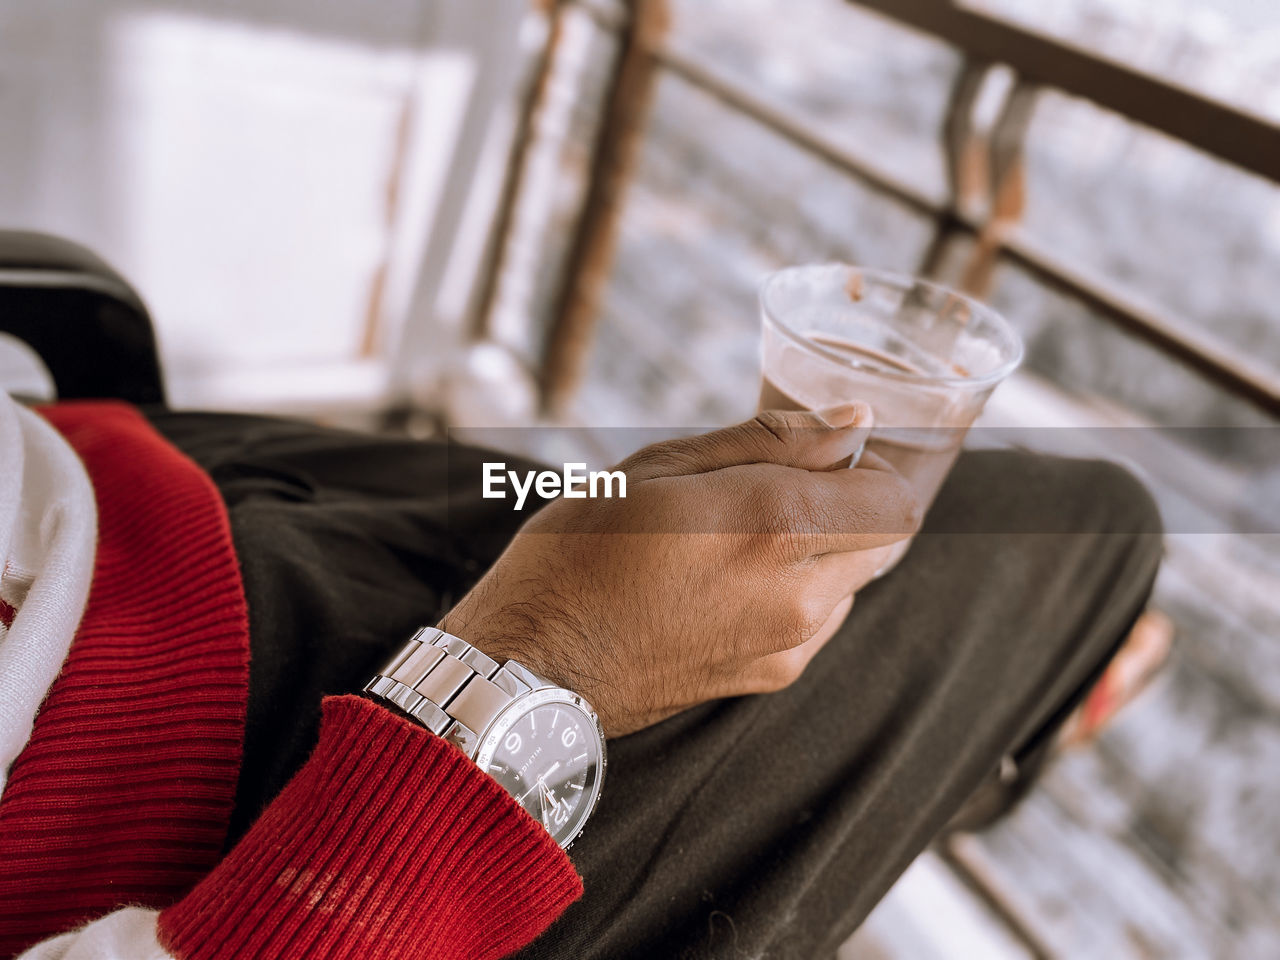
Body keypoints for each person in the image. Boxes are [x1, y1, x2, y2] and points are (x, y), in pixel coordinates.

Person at [0, 391, 1162, 960]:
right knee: (1090, 527)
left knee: (616, 511)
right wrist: (533, 658)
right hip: (200, 821)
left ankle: (956, 759)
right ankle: (991, 761)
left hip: (109, 475)